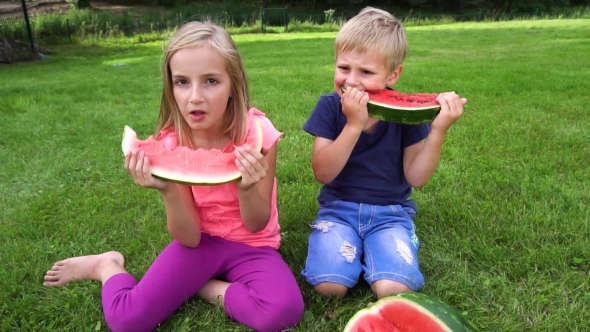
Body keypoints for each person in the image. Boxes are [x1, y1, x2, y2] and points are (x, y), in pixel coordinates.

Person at [43, 21, 304, 332]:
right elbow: (189, 237)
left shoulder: (258, 134)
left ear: (233, 83)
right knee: (127, 320)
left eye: (210, 81)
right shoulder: (170, 144)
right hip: (199, 245)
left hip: (254, 246)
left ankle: (203, 286)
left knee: (283, 311)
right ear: (170, 86)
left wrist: (247, 188)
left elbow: (257, 223)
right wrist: (167, 188)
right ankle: (107, 265)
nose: (195, 97)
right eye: (182, 82)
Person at [300, 7, 467, 300]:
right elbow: (323, 172)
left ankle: (380, 253)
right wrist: (353, 125)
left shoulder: (404, 115)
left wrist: (438, 130)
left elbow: (416, 177)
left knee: (394, 289)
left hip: (391, 214)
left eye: (366, 72)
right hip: (338, 211)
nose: (351, 81)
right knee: (329, 286)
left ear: (393, 73)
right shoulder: (328, 106)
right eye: (343, 68)